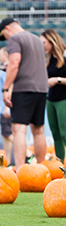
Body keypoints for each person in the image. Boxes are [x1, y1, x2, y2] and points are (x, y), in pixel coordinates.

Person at [0, 18, 48, 167]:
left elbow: (14, 63)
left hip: (24, 87)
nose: (6, 39)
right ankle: (41, 168)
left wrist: (6, 88)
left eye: (4, 35)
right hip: (41, 87)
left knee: (18, 130)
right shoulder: (37, 40)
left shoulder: (15, 38)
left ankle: (20, 170)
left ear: (7, 29)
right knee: (38, 130)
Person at [43, 29, 66, 161]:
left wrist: (57, 80)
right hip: (51, 100)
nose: (43, 46)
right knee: (56, 135)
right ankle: (60, 165)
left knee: (64, 134)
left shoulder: (65, 55)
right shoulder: (49, 58)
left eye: (44, 42)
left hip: (63, 99)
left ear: (52, 41)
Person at [0, 47, 14, 163]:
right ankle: (7, 160)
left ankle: (27, 152)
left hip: (6, 107)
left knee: (8, 134)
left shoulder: (8, 69)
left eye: (0, 55)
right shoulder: (4, 69)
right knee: (5, 136)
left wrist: (6, 107)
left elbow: (10, 87)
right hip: (3, 107)